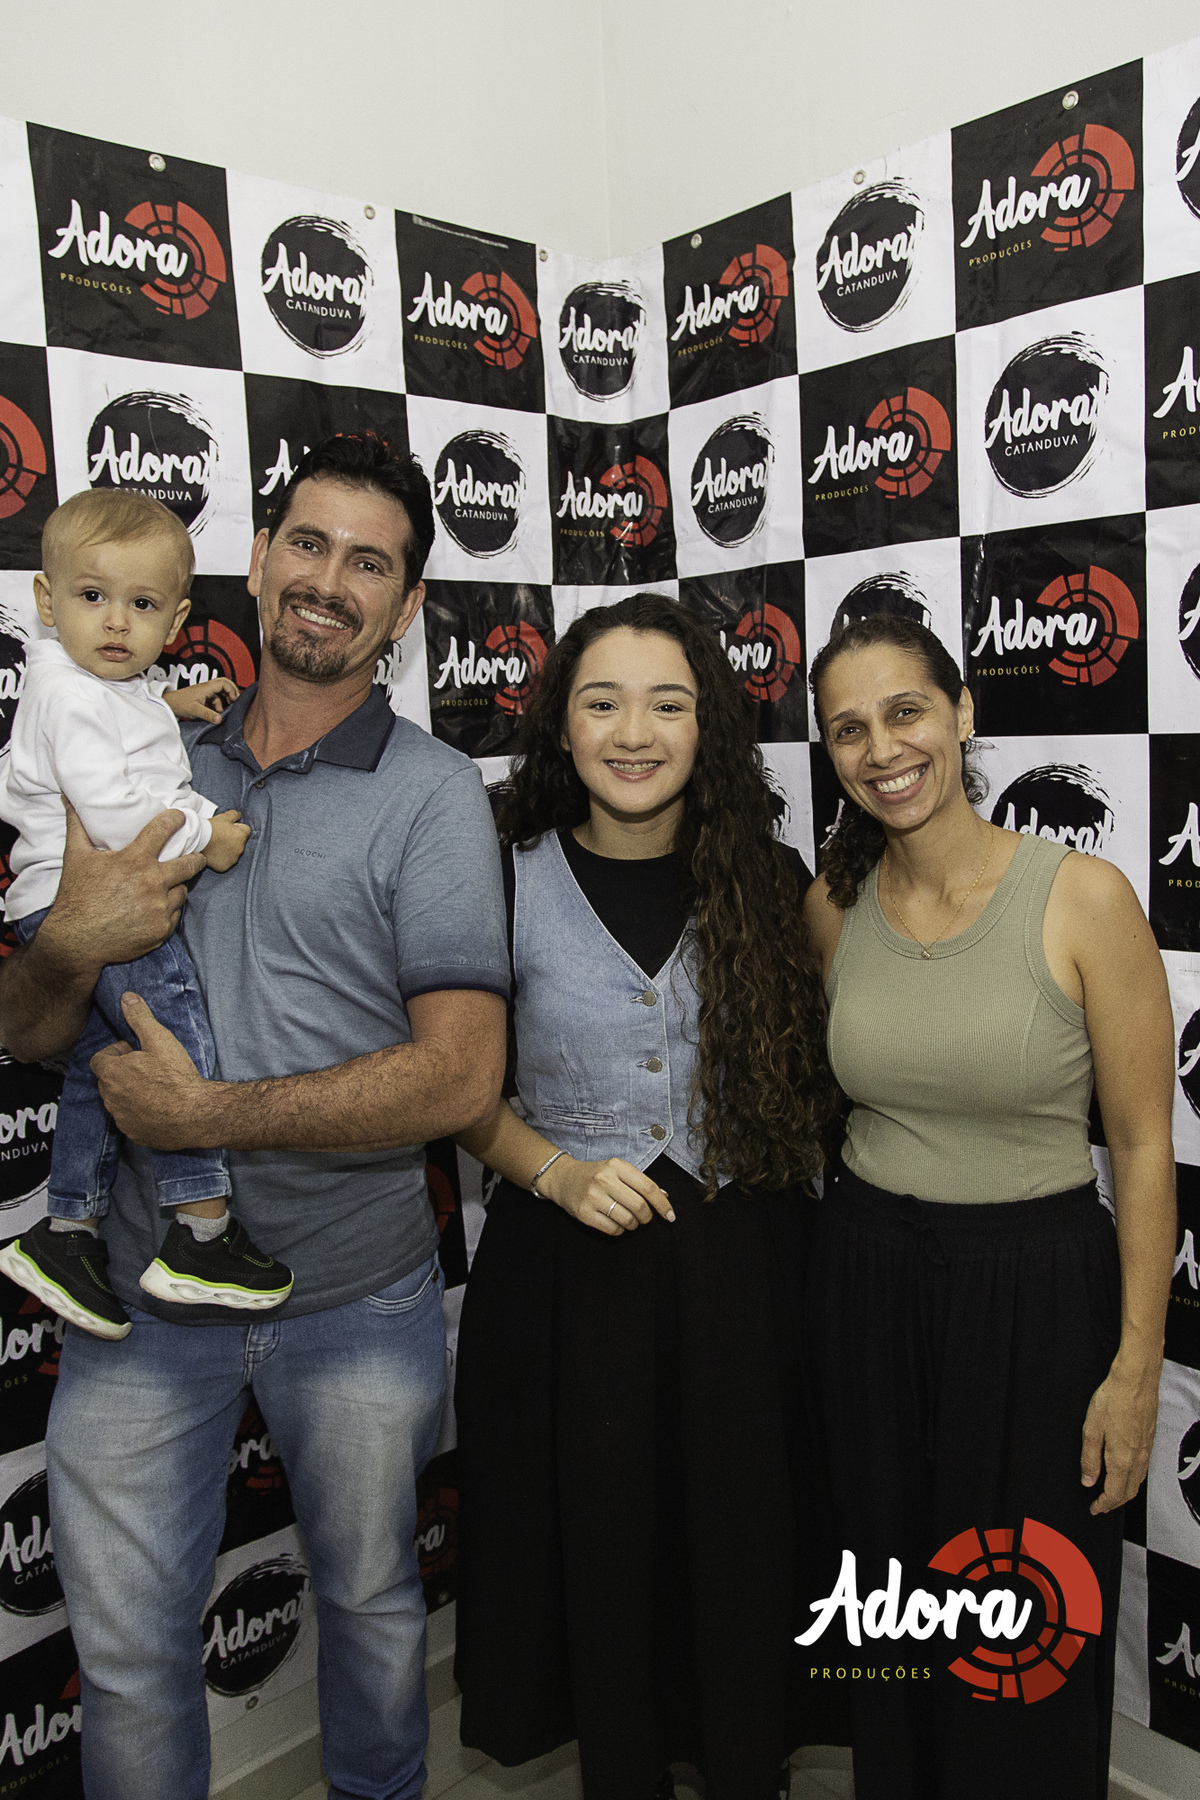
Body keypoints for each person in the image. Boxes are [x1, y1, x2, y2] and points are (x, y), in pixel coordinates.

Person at [0, 434, 509, 1800]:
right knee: (124, 1657)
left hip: (354, 1295)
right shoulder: (139, 750)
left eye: (370, 563)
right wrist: (70, 940)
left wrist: (202, 1113)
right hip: (137, 1303)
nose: (329, 580)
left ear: (407, 608)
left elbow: (461, 1080)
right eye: (308, 542)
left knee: (375, 1612)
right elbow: (29, 1031)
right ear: (258, 557)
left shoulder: (434, 795)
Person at [452, 593, 844, 1800]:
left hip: (745, 1276)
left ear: (707, 725)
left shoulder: (775, 880)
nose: (634, 732)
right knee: (602, 1554)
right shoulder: (495, 875)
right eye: (603, 702)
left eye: (668, 704)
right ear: (561, 726)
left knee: (743, 1549)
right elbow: (446, 1084)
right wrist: (553, 1169)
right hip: (571, 1280)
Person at [799, 612, 1175, 1800]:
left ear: (963, 713)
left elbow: (1144, 1148)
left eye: (906, 711)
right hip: (866, 1279)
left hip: (1035, 1297)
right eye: (848, 729)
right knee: (892, 1610)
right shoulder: (833, 906)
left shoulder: (1084, 898)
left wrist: (1134, 1372)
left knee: (1024, 1627)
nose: (882, 750)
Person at [0, 488, 294, 1337]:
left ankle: (67, 1232)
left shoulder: (93, 686)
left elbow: (111, 724)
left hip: (55, 902)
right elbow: (116, 812)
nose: (115, 622)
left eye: (141, 605)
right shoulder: (68, 694)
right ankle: (200, 1230)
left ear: (176, 622)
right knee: (175, 1037)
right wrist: (208, 836)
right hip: (95, 903)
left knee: (102, 1068)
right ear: (46, 600)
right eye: (92, 596)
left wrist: (172, 704)